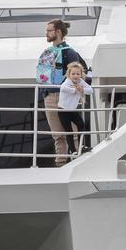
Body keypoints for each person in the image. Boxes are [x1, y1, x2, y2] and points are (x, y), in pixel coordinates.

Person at [36, 19, 85, 164]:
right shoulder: (52, 51)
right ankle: (61, 162)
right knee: (57, 134)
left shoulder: (69, 53)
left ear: (58, 32)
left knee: (72, 132)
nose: (46, 33)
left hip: (64, 96)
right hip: (50, 95)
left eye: (49, 30)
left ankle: (76, 159)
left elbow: (78, 74)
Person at [58, 62, 94, 157]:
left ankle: (81, 146)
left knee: (81, 125)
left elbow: (90, 90)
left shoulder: (80, 81)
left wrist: (82, 89)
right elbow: (63, 88)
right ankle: (72, 150)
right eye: (73, 74)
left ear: (81, 74)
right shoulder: (67, 81)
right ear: (69, 74)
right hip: (63, 110)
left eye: (78, 74)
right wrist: (75, 90)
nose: (75, 76)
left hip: (72, 110)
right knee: (69, 131)